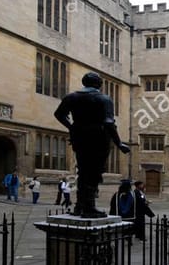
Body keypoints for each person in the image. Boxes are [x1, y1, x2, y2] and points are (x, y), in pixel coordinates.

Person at [54, 71, 131, 218]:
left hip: (79, 139)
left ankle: (79, 206)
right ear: (98, 84)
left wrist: (72, 128)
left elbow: (59, 114)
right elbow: (109, 122)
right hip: (98, 139)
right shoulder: (104, 98)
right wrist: (119, 142)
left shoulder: (72, 97)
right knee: (94, 173)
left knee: (83, 171)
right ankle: (89, 207)